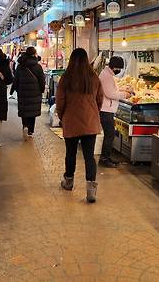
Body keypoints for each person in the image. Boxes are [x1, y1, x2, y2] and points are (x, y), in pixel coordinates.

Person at [56, 48, 103, 203]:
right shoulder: (94, 77)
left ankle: (68, 182)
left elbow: (60, 102)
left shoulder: (66, 78)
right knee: (89, 156)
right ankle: (91, 191)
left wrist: (63, 117)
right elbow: (99, 99)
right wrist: (93, 113)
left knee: (71, 153)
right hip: (90, 122)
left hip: (71, 121)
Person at [98, 56, 131, 168]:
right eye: (119, 68)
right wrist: (124, 95)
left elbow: (112, 90)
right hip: (105, 109)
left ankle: (106, 157)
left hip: (107, 109)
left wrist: (123, 90)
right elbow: (110, 94)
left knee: (109, 135)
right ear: (115, 67)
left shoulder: (108, 75)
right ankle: (104, 159)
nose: (119, 71)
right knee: (110, 135)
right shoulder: (106, 77)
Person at [10, 47, 45, 140]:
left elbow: (16, 79)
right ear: (34, 54)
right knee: (32, 112)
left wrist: (15, 89)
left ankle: (25, 125)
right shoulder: (38, 66)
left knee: (24, 110)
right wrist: (42, 90)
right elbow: (42, 80)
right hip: (35, 92)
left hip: (22, 92)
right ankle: (30, 130)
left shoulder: (20, 66)